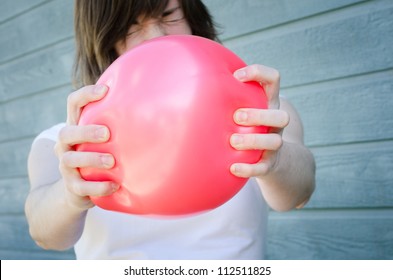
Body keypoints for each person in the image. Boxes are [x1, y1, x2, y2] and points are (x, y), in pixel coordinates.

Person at [25, 0, 315, 259]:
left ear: (192, 15)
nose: (156, 36)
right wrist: (70, 191)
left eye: (168, 14)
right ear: (105, 39)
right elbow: (45, 235)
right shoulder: (66, 140)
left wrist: (273, 160)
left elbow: (296, 195)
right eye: (131, 27)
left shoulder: (259, 114)